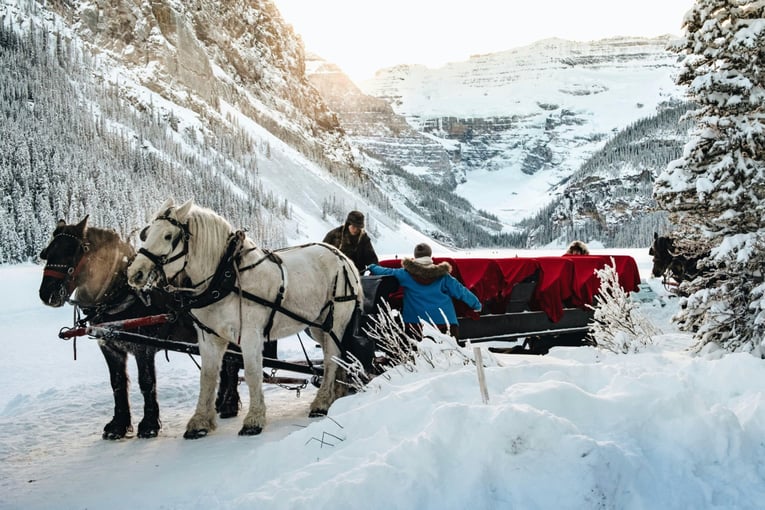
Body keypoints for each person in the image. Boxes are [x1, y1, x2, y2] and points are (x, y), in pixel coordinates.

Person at [366, 243, 481, 339]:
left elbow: (386, 271)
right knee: (449, 355)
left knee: (419, 358)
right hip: (445, 323)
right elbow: (461, 292)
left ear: (415, 256)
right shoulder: (443, 276)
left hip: (416, 323)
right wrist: (476, 305)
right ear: (430, 256)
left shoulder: (405, 274)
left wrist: (372, 267)